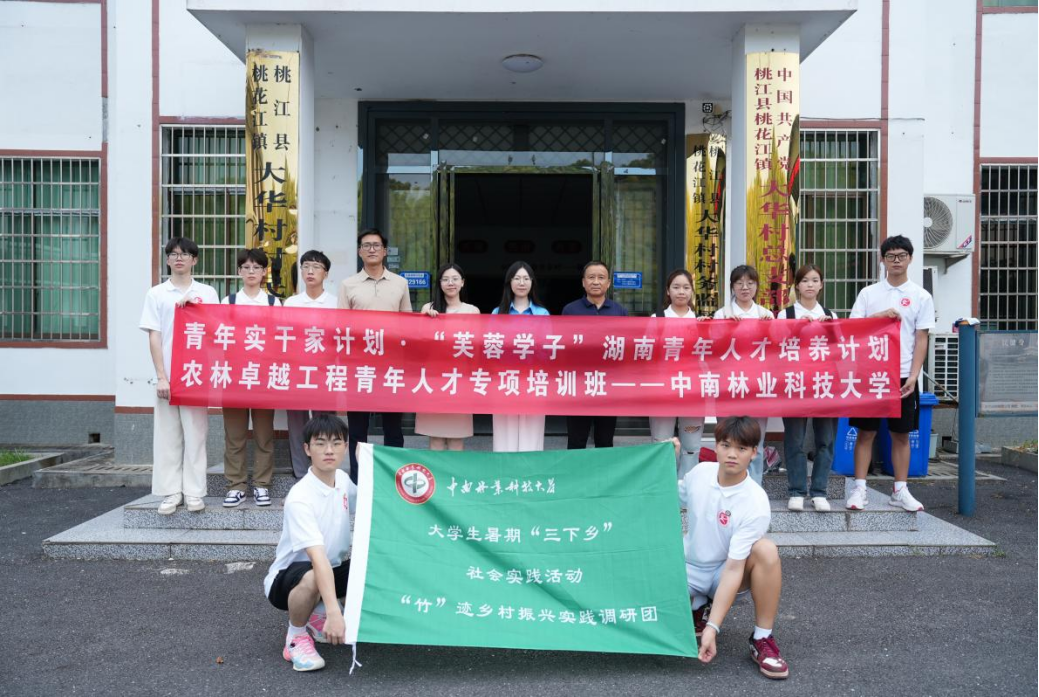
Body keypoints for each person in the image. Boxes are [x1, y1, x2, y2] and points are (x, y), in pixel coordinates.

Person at [680, 416, 789, 680]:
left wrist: (713, 628)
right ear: (716, 446)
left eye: (741, 448)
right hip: (687, 568)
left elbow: (733, 568)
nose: (732, 454)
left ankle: (762, 638)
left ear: (754, 453)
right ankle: (698, 605)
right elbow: (661, 494)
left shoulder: (755, 502)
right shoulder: (699, 474)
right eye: (726, 445)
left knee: (766, 550)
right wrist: (663, 458)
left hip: (725, 573)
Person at [846, 235, 935, 512]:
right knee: (866, 432)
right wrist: (880, 316)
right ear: (882, 259)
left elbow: (921, 338)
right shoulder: (869, 293)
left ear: (910, 258)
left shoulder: (921, 296)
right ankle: (859, 488)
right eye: (891, 256)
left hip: (903, 374)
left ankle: (900, 489)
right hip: (871, 374)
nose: (896, 261)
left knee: (901, 434)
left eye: (901, 255)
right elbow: (853, 328)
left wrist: (914, 375)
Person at [263, 414, 355, 672]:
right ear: (307, 449)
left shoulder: (343, 479)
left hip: (330, 569)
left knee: (371, 564)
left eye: (336, 443)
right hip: (288, 580)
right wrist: (335, 614)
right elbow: (317, 558)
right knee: (314, 575)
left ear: (345, 447)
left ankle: (321, 610)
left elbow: (371, 506)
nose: (329, 450)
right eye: (320, 443)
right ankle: (296, 637)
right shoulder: (300, 498)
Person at [139, 237, 219, 515]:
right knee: (167, 436)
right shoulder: (157, 294)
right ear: (167, 260)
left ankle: (194, 492)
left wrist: (195, 309)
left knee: (196, 435)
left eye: (185, 254)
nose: (179, 258)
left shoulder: (207, 292)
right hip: (169, 376)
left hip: (196, 375)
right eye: (173, 254)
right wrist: (161, 376)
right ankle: (171, 492)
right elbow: (154, 336)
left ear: (195, 260)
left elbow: (216, 331)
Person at [338, 228, 412, 482]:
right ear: (359, 252)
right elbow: (342, 328)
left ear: (384, 251)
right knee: (358, 430)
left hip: (391, 367)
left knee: (393, 428)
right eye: (366, 245)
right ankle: (358, 482)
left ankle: (394, 481)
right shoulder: (348, 285)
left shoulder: (400, 283)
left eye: (376, 245)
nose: (371, 249)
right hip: (359, 367)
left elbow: (407, 325)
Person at [220, 248, 280, 507]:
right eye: (246, 267)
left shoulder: (273, 303)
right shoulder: (229, 301)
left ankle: (262, 485)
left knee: (264, 435)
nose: (251, 271)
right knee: (234, 435)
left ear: (264, 272)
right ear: (239, 272)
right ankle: (236, 486)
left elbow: (279, 339)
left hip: (263, 377)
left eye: (256, 267)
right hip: (234, 376)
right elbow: (218, 335)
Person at [778, 264, 837, 512]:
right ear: (797, 286)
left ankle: (820, 491)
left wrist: (830, 329)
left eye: (814, 280)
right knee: (795, 439)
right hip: (795, 384)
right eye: (804, 281)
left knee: (826, 439)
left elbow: (841, 351)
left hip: (825, 384)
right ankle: (797, 490)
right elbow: (776, 347)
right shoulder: (786, 315)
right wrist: (797, 328)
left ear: (821, 285)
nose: (810, 285)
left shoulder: (831, 315)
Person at [713, 265, 774, 484]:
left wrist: (770, 329)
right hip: (729, 386)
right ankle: (726, 484)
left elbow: (777, 351)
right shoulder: (721, 314)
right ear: (732, 287)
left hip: (757, 387)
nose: (745, 287)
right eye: (739, 283)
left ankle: (754, 488)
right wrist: (724, 328)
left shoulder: (766, 315)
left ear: (757, 286)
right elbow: (713, 349)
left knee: (755, 440)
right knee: (727, 438)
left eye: (750, 283)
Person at [561, 261, 628, 449]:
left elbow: (625, 347)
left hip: (608, 386)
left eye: (601, 277)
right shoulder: (570, 310)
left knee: (605, 441)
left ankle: (603, 471)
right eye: (591, 277)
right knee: (576, 441)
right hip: (578, 385)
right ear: (583, 282)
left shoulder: (619, 311)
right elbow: (563, 347)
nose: (596, 282)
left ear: (608, 283)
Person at [284, 250, 338, 479]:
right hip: (297, 370)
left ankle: (323, 470)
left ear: (326, 273)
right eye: (305, 266)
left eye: (316, 267)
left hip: (326, 372)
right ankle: (301, 473)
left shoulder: (336, 303)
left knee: (324, 422)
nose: (310, 271)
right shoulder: (291, 303)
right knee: (297, 422)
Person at [415, 263, 480, 450]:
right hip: (433, 379)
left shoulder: (472, 311)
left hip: (459, 379)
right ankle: (436, 471)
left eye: (455, 279)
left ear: (462, 283)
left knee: (457, 438)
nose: (450, 283)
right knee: (435, 438)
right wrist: (425, 321)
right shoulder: (428, 308)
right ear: (439, 283)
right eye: (445, 279)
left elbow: (477, 348)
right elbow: (418, 344)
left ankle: (453, 471)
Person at [649, 270, 705, 478]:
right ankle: (663, 487)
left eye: (686, 287)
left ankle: (687, 486)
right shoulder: (657, 319)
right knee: (661, 443)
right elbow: (646, 354)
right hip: (662, 391)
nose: (681, 292)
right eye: (676, 287)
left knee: (691, 445)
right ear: (668, 291)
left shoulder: (702, 321)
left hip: (693, 390)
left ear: (692, 291)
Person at [490, 261, 549, 452]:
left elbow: (548, 351)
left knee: (531, 433)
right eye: (517, 278)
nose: (521, 283)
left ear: (532, 282)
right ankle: (504, 469)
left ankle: (529, 470)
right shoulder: (497, 313)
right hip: (504, 380)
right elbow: (490, 349)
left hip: (533, 380)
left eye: (526, 278)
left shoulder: (542, 314)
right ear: (509, 282)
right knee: (504, 434)